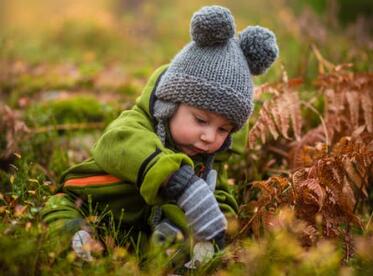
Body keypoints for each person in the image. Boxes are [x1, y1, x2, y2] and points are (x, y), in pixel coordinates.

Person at [41, 5, 278, 265]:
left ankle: (169, 258)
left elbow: (218, 192)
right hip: (88, 202)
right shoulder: (136, 124)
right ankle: (77, 241)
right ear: (169, 105)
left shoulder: (209, 158)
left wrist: (218, 226)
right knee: (60, 209)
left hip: (138, 233)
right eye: (200, 120)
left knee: (180, 244)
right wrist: (177, 179)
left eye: (224, 129)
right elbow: (117, 143)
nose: (210, 137)